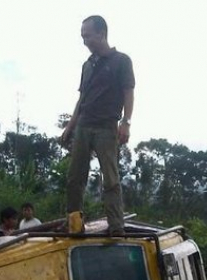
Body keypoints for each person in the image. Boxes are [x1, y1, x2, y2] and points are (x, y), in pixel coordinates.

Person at [60, 15, 135, 236]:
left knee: (110, 179)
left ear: (101, 34)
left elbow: (128, 92)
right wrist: (70, 127)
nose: (84, 40)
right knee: (75, 178)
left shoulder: (121, 61)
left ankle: (116, 226)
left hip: (107, 126)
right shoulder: (87, 65)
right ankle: (74, 223)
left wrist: (126, 122)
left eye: (87, 35)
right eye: (82, 36)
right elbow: (81, 99)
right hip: (83, 125)